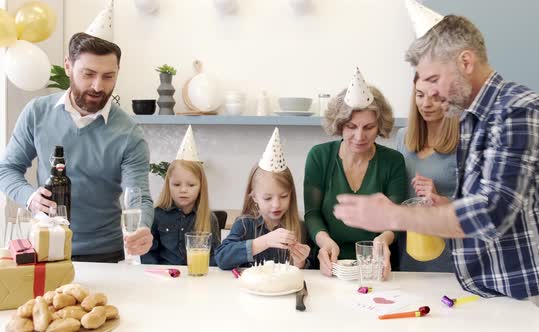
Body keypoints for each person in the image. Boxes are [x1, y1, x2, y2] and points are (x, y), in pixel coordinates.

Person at [334, 13, 539, 330]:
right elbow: (495, 203)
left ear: (465, 62)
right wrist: (448, 206)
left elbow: (490, 214)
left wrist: (392, 216)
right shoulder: (471, 121)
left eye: (433, 79)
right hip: (504, 294)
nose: (432, 96)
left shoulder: (517, 111)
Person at [0, 32, 153, 263]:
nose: (98, 86)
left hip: (105, 254)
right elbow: (7, 169)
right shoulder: (36, 113)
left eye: (108, 76)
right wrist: (30, 197)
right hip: (46, 248)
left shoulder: (130, 133)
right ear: (68, 66)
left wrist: (141, 227)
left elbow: (138, 195)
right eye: (88, 74)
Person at [304, 68, 407, 277]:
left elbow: (395, 219)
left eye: (368, 127)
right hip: (330, 264)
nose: (360, 136)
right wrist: (325, 242)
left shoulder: (393, 161)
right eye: (351, 126)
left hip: (377, 266)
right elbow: (312, 214)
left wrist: (383, 239)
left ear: (379, 126)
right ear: (340, 125)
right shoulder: (319, 157)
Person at [215, 128, 311, 270]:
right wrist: (264, 241)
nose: (276, 204)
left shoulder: (299, 227)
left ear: (291, 194)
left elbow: (307, 273)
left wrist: (300, 262)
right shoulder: (244, 225)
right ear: (254, 197)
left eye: (284, 196)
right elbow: (222, 258)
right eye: (267, 198)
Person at [393, 74, 459, 272]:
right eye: (420, 95)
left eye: (435, 97)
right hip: (409, 251)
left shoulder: (465, 142)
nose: (426, 104)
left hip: (449, 255)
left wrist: (441, 199)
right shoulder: (403, 137)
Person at [141, 126, 220, 265]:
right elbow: (149, 253)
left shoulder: (208, 218)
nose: (183, 190)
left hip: (198, 278)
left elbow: (215, 256)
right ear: (168, 185)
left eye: (191, 185)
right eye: (177, 185)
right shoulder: (157, 215)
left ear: (201, 186)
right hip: (165, 279)